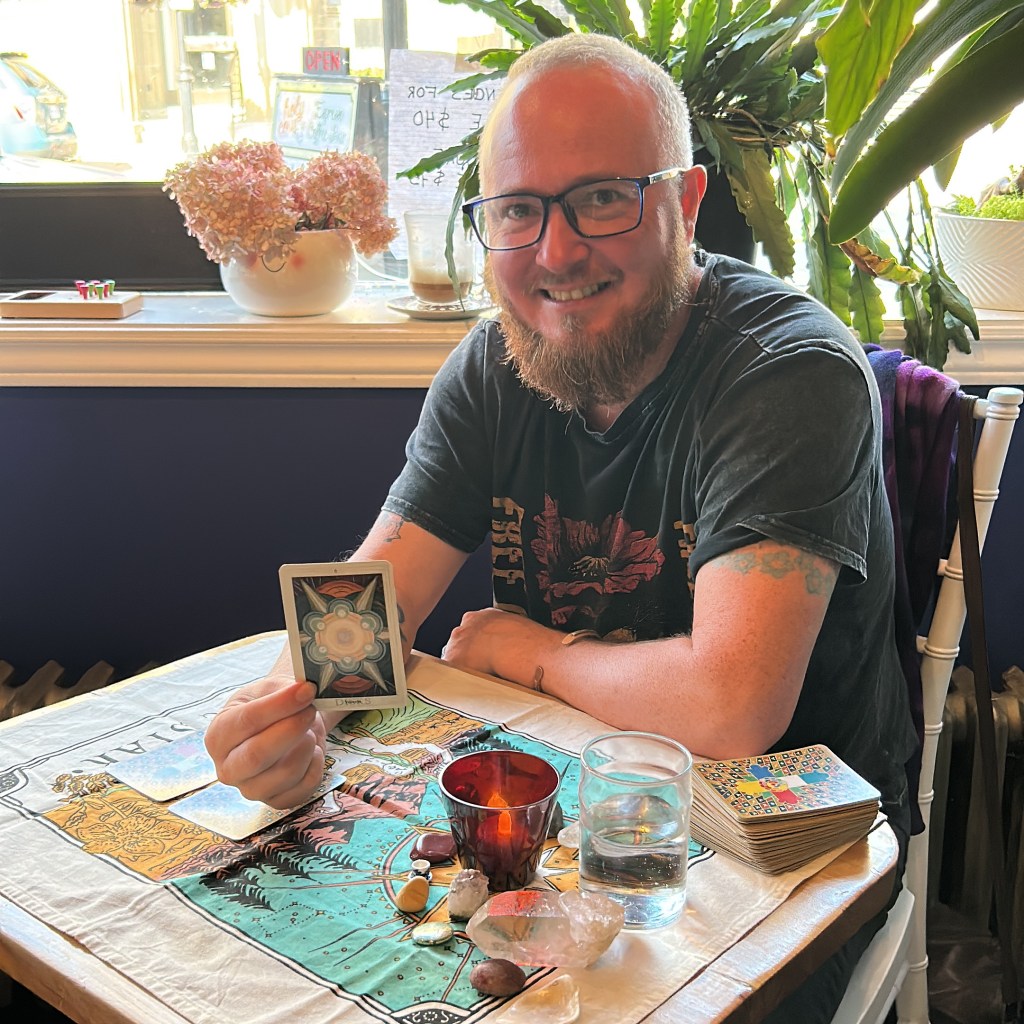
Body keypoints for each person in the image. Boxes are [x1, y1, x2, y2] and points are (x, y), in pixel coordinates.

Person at [206, 33, 917, 1023]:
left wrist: (531, 652)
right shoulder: (496, 362)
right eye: (516, 211)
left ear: (687, 201)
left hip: (790, 861)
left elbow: (729, 705)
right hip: (572, 823)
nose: (554, 252)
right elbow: (365, 615)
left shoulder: (789, 372)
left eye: (601, 198)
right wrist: (293, 712)